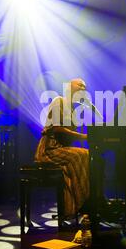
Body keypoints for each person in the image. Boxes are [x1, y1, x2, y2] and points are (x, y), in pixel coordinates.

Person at [35, 78, 90, 218]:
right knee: (81, 155)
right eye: (80, 85)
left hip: (62, 150)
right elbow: (58, 128)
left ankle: (79, 205)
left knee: (89, 156)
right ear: (69, 88)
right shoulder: (59, 101)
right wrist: (82, 137)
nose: (83, 88)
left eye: (85, 87)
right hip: (49, 149)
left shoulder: (72, 109)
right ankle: (84, 203)